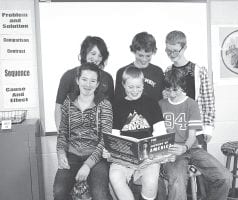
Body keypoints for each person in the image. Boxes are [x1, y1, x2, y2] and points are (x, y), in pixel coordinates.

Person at [159, 66, 231, 200]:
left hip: (191, 148)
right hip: (172, 151)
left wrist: (184, 148)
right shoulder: (160, 104)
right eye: (168, 90)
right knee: (177, 183)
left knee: (224, 177)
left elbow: (192, 136)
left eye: (176, 90)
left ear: (183, 87)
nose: (172, 94)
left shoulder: (191, 104)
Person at [53, 63, 113, 200]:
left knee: (100, 194)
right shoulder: (69, 101)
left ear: (98, 84)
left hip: (97, 157)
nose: (88, 84)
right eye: (84, 79)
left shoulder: (104, 104)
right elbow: (62, 131)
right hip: (72, 154)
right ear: (77, 80)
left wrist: (87, 165)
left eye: (93, 81)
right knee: (59, 191)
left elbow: (106, 139)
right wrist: (61, 152)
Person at [108, 66, 166, 200]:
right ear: (123, 85)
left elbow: (160, 132)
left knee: (151, 181)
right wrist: (112, 151)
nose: (135, 91)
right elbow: (115, 135)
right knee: (115, 176)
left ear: (143, 85)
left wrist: (153, 157)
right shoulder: (117, 106)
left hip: (148, 156)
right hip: (125, 156)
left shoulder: (152, 103)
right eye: (130, 87)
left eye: (138, 87)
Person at [55, 36, 114, 130]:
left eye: (100, 55)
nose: (96, 58)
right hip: (74, 133)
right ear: (84, 53)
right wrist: (61, 133)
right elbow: (59, 107)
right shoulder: (69, 76)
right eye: (93, 53)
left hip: (98, 135)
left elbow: (110, 110)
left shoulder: (107, 78)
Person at [114, 31, 164, 102]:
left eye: (148, 56)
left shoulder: (158, 72)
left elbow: (161, 99)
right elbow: (117, 101)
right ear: (133, 51)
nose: (144, 59)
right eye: (140, 55)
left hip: (152, 112)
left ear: (153, 52)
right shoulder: (122, 72)